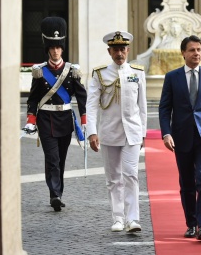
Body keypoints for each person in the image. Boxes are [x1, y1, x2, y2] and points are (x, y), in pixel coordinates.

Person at [158, 35, 201, 241]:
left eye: (199, 50)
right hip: (182, 138)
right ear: (183, 53)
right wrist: (166, 133)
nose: (197, 53)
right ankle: (191, 223)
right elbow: (164, 108)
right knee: (187, 183)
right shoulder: (172, 77)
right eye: (192, 50)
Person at [86, 31, 147, 233]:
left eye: (123, 49)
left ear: (128, 50)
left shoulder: (137, 72)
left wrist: (143, 133)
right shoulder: (100, 74)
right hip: (110, 132)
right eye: (116, 50)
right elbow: (92, 105)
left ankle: (133, 219)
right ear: (109, 51)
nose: (119, 53)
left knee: (131, 175)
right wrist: (92, 132)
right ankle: (118, 218)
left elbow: (143, 106)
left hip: (132, 132)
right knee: (114, 178)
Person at [25, 16, 87, 212]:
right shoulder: (40, 72)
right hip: (45, 120)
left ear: (62, 48)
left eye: (58, 47)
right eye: (52, 48)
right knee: (52, 158)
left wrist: (84, 119)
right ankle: (55, 195)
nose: (55, 51)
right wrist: (30, 119)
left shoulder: (71, 71)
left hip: (65, 120)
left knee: (61, 158)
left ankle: (58, 191)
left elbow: (81, 95)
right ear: (48, 49)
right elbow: (33, 98)